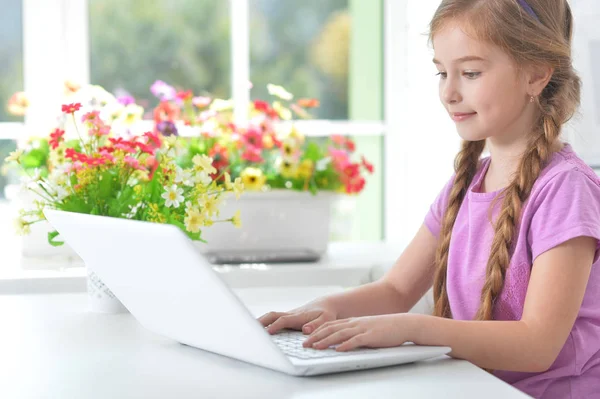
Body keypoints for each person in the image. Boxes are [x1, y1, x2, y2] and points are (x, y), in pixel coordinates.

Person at [258, 1, 600, 397]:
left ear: (537, 74)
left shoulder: (566, 190)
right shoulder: (468, 180)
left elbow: (538, 345)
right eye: (442, 72)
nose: (449, 92)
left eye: (470, 73)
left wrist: (413, 328)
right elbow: (396, 290)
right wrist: (325, 309)